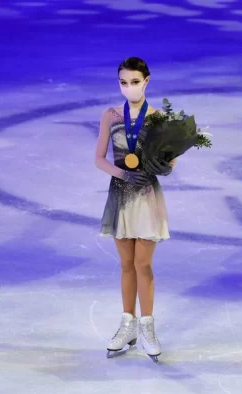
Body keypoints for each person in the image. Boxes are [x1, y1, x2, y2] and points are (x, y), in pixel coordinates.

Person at [94, 57, 175, 363]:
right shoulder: (111, 115)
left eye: (134, 82)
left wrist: (162, 165)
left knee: (143, 265)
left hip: (146, 196)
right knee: (126, 264)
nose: (129, 87)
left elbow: (169, 162)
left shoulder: (158, 119)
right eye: (123, 82)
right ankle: (127, 324)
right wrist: (122, 174)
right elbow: (99, 159)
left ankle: (147, 327)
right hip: (120, 195)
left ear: (147, 81)